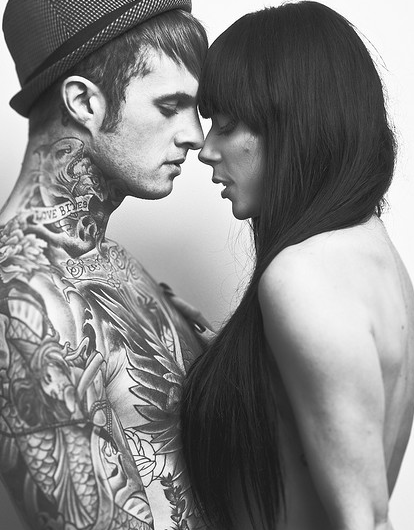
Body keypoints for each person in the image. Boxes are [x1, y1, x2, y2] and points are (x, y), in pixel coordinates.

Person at [179, 2, 414, 530]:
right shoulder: (377, 257)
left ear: (293, 124)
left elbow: (366, 521)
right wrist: (231, 359)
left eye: (227, 124)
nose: (206, 149)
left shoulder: (301, 278)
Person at [0, 1, 208, 529]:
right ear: (83, 103)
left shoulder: (111, 260)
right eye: (170, 106)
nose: (195, 136)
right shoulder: (20, 296)